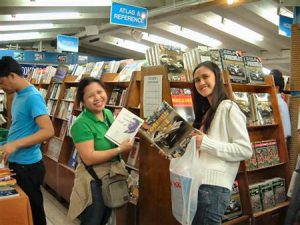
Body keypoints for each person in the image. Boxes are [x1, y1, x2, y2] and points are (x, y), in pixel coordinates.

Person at [191, 61, 252, 225]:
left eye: (205, 77)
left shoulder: (228, 107)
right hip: (201, 185)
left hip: (213, 188)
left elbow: (245, 150)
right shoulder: (208, 112)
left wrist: (205, 143)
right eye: (197, 80)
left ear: (217, 78)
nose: (201, 83)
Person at [68, 77, 134, 225]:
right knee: (93, 220)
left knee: (105, 218)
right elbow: (89, 158)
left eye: (100, 92)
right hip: (94, 181)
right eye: (90, 96)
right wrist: (120, 149)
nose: (97, 98)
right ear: (83, 101)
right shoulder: (80, 124)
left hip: (112, 176)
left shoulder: (108, 114)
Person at [0, 56, 54, 225]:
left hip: (28, 166)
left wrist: (15, 144)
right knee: (24, 211)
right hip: (18, 163)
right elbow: (20, 127)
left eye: (1, 82)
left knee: (34, 210)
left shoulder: (32, 97)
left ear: (12, 76)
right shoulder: (17, 96)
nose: (1, 87)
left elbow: (48, 130)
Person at [270, 69, 291, 139]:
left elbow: (286, 132)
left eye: (270, 85)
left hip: (279, 141)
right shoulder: (279, 102)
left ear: (277, 87)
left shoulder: (278, 103)